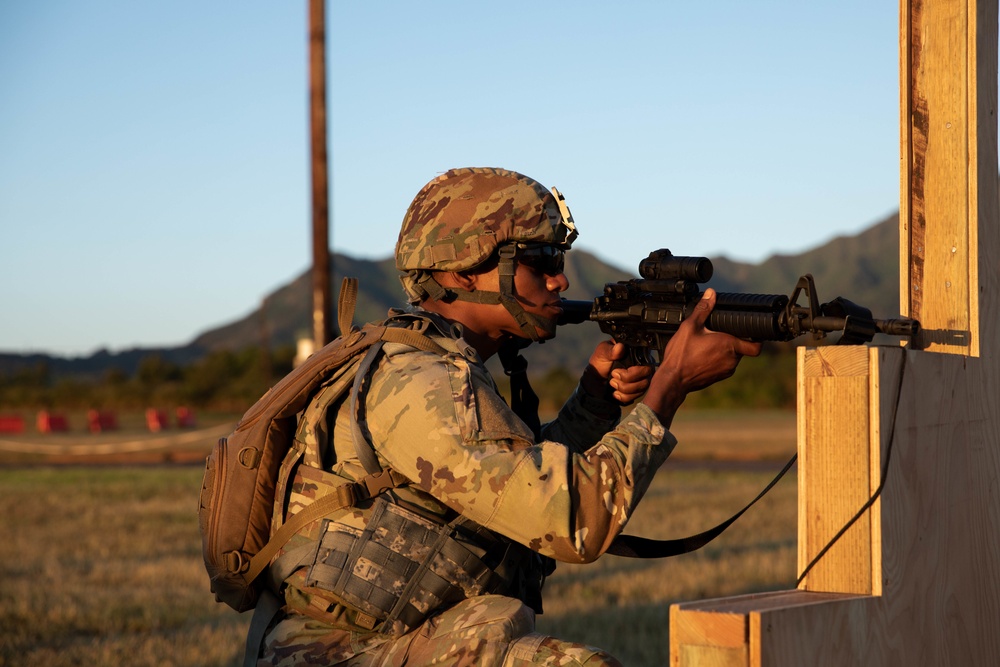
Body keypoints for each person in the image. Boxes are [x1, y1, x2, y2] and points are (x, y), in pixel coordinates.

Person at [257, 167, 761, 666]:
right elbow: (572, 521)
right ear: (461, 272)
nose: (560, 278)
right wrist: (669, 385)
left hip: (405, 637)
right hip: (338, 652)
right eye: (539, 259)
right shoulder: (420, 382)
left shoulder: (442, 362)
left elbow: (520, 477)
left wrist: (595, 400)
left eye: (558, 258)